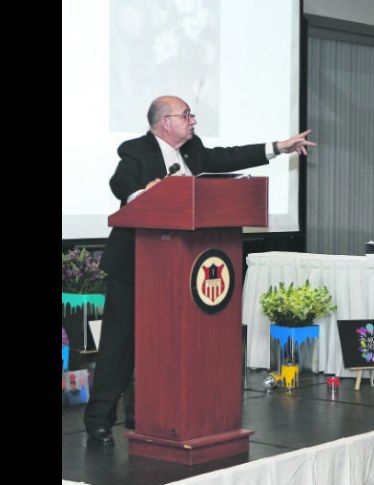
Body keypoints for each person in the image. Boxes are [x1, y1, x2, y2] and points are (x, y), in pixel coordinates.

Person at [84, 95, 316, 446]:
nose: (193, 121)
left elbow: (230, 156)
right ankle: (99, 419)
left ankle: (147, 415)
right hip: (135, 265)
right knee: (121, 343)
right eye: (187, 116)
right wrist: (140, 194)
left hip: (181, 268)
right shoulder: (135, 150)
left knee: (164, 346)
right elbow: (121, 182)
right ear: (165, 122)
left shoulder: (194, 152)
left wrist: (279, 147)